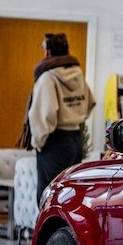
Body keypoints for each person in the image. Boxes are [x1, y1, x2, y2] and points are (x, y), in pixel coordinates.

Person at [26, 33, 95, 201]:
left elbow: (46, 113)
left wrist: (38, 141)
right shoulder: (78, 74)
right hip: (75, 139)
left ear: (48, 52)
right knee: (69, 196)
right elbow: (90, 102)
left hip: (54, 141)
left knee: (48, 197)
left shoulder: (47, 77)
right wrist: (75, 117)